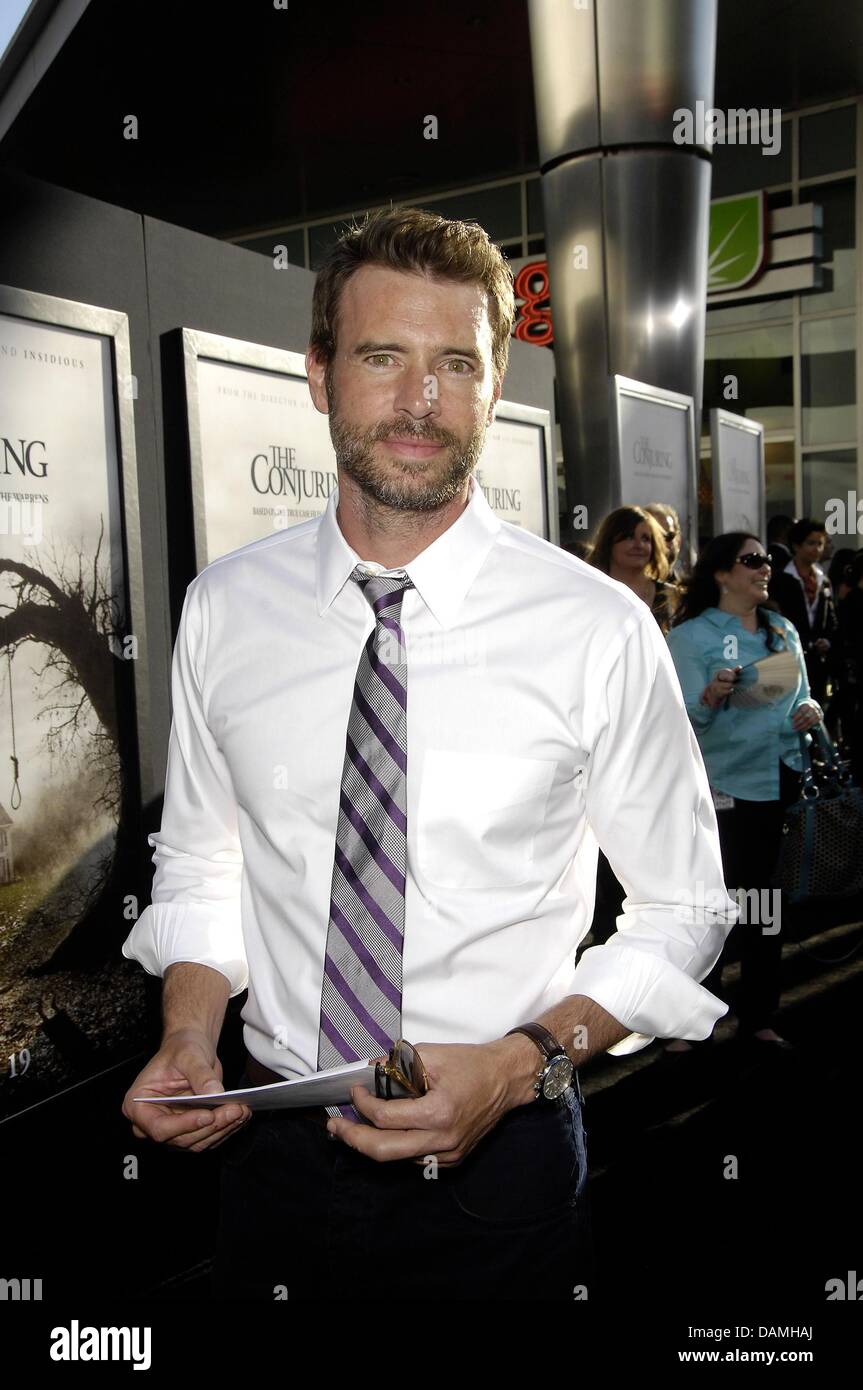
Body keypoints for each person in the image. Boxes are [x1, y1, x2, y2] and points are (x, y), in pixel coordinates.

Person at [120, 207, 736, 1302]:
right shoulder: (225, 608)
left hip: (503, 1159)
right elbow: (205, 866)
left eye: (455, 362)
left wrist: (517, 1064)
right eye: (381, 357)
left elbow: (684, 909)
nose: (420, 399)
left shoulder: (595, 628)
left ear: (495, 386)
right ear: (318, 373)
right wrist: (189, 1031)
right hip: (271, 1156)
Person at [666, 533, 823, 1054]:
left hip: (777, 779)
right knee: (710, 905)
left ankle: (758, 1016)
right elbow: (681, 721)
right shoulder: (691, 637)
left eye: (767, 560)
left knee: (764, 904)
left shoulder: (782, 629)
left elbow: (802, 697)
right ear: (721, 573)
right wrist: (712, 695)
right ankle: (695, 1020)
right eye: (752, 560)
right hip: (719, 786)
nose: (765, 568)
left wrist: (811, 711)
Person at [769, 517, 838, 708]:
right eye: (811, 543)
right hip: (788, 655)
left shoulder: (823, 580)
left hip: (818, 662)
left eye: (820, 544)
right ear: (796, 546)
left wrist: (827, 640)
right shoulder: (780, 578)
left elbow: (831, 618)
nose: (816, 549)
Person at [587, 505, 680, 636]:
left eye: (645, 538)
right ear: (609, 543)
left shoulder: (671, 596)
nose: (639, 545)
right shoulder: (591, 593)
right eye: (629, 537)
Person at [644, 501, 684, 582]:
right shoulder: (622, 588)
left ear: (678, 541)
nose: (660, 544)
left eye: (668, 536)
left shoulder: (689, 589)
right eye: (653, 537)